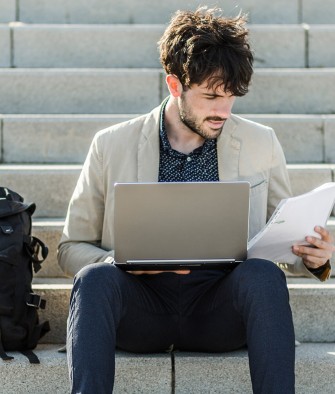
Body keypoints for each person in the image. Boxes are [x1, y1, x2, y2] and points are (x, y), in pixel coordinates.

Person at [58, 7, 334, 394]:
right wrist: (120, 262)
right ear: (175, 84)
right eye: (210, 96)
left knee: (265, 274)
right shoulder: (111, 144)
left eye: (231, 97)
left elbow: (284, 237)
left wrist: (313, 256)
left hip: (219, 309)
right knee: (94, 279)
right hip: (142, 307)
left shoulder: (261, 142)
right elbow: (70, 248)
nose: (223, 110)